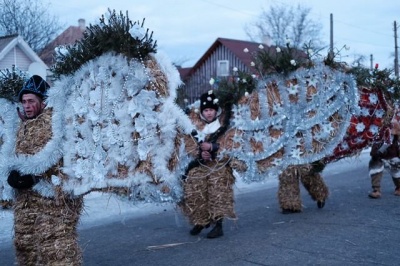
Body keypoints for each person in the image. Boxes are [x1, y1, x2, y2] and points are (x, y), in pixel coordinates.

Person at [7, 75, 83, 265]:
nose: (27, 105)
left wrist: (36, 177)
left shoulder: (56, 124)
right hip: (26, 204)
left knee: (56, 252)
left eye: (31, 101)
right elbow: (13, 156)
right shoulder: (22, 127)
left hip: (53, 204)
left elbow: (67, 158)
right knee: (26, 250)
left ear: (43, 101)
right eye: (24, 101)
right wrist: (12, 175)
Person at [180, 90, 236, 239]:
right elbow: (189, 144)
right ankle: (200, 220)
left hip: (219, 164)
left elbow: (230, 143)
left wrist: (213, 148)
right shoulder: (195, 126)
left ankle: (218, 225)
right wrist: (200, 153)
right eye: (206, 110)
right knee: (194, 185)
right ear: (202, 111)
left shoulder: (224, 124)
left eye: (211, 110)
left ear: (215, 110)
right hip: (201, 164)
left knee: (217, 188)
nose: (209, 113)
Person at [368, 118, 400, 199]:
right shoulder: (378, 134)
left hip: (392, 155)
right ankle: (376, 190)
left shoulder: (395, 136)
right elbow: (374, 144)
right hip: (379, 155)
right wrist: (375, 153)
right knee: (375, 170)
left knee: (396, 172)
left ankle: (399, 187)